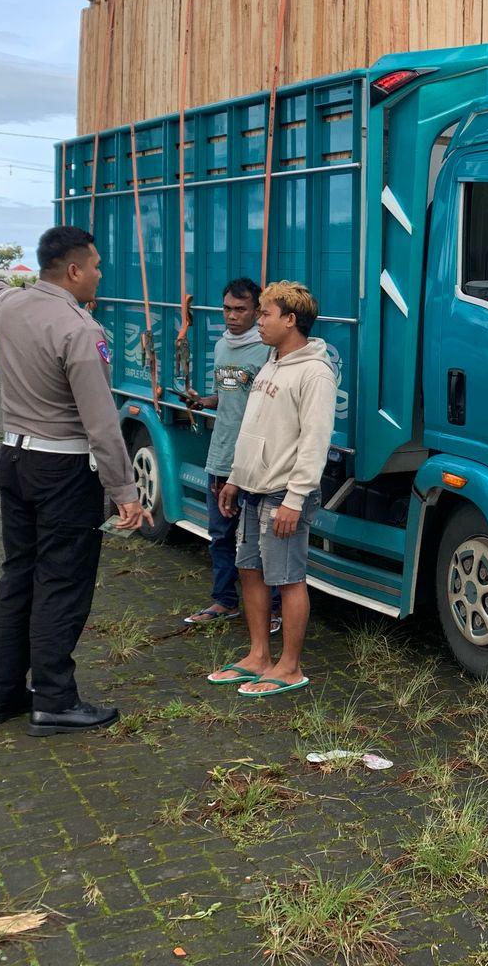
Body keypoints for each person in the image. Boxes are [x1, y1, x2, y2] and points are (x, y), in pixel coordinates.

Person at [0, 226, 147, 735]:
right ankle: (54, 700)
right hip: (63, 471)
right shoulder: (81, 330)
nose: (99, 274)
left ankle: (2, 695)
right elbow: (102, 423)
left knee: (18, 574)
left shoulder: (12, 306)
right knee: (61, 581)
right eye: (95, 265)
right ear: (72, 270)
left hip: (14, 459)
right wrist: (125, 493)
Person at [207, 281, 337, 696]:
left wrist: (295, 500)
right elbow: (253, 428)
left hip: (284, 492)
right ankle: (259, 656)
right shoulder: (272, 362)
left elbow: (315, 443)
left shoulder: (315, 372)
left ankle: (290, 667)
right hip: (253, 488)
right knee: (250, 570)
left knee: (287, 577)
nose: (257, 321)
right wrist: (235, 479)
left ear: (291, 319)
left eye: (265, 314)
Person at [180, 278, 278, 630]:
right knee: (220, 534)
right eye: (227, 309)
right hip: (221, 457)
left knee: (263, 541)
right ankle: (224, 600)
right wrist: (205, 400)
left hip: (256, 461)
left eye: (241, 310)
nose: (232, 317)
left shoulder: (268, 350)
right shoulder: (221, 346)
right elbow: (229, 395)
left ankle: (274, 608)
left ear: (256, 311)